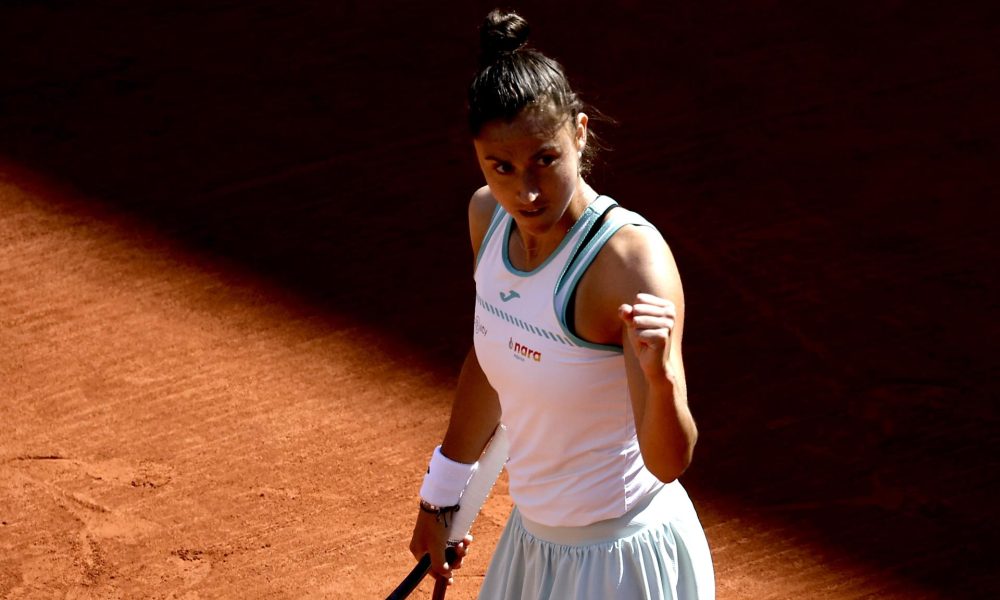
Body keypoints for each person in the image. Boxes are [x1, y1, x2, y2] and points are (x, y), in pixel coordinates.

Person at [409, 9, 715, 599]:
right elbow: (494, 361)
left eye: (544, 160)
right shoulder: (488, 219)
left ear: (578, 134)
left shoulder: (626, 263)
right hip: (532, 547)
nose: (524, 191)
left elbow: (667, 463)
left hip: (624, 562)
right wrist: (444, 496)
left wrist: (664, 379)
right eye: (500, 168)